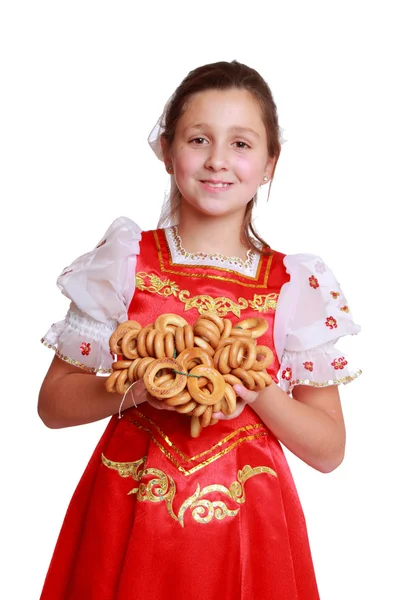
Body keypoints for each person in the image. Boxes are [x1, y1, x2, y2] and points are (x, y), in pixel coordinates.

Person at [38, 60, 361, 600]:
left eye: (241, 144)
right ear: (167, 152)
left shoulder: (295, 285)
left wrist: (256, 391)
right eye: (198, 139)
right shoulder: (125, 262)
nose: (217, 161)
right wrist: (136, 387)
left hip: (249, 524)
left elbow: (329, 450)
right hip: (125, 509)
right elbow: (53, 405)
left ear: (269, 163)